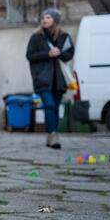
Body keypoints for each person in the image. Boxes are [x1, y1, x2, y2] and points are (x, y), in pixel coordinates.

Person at [26, 8, 75, 149]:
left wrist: (59, 53)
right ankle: (53, 135)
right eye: (43, 17)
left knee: (55, 108)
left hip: (59, 79)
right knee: (49, 105)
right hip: (42, 78)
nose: (44, 20)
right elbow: (30, 56)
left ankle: (51, 135)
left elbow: (69, 54)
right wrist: (48, 54)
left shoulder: (64, 36)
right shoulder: (36, 37)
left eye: (48, 17)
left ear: (55, 20)